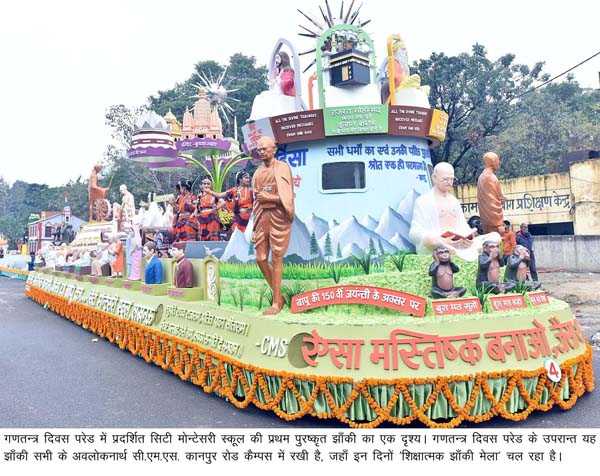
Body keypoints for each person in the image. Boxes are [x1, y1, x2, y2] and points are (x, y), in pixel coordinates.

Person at [409, 162, 500, 261]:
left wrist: (468, 237)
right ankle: (451, 252)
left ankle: (458, 252)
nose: (449, 182)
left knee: (495, 236)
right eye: (445, 179)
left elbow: (463, 226)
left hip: (459, 243)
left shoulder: (454, 201)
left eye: (451, 179)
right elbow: (414, 233)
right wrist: (440, 239)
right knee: (431, 240)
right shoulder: (424, 201)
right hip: (439, 243)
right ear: (434, 178)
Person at [252, 136, 295, 315]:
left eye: (265, 148)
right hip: (262, 217)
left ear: (274, 149)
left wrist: (269, 198)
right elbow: (256, 200)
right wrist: (254, 226)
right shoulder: (257, 173)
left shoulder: (283, 168)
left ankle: (277, 303)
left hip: (278, 216)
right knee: (261, 258)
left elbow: (287, 198)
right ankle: (279, 296)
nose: (262, 151)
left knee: (277, 257)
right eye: (259, 149)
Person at [249, 51, 298, 120]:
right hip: (277, 93)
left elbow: (288, 83)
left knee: (267, 98)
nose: (276, 61)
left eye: (278, 58)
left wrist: (279, 81)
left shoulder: (287, 70)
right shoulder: (278, 72)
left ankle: (265, 117)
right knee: (260, 97)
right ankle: (257, 118)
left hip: (285, 95)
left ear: (283, 59)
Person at [477, 152, 505, 234]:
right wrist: (499, 223)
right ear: (492, 161)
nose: (498, 162)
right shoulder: (490, 177)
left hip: (485, 220)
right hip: (494, 221)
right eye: (497, 160)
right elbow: (493, 202)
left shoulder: (482, 176)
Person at [194, 176, 222, 241]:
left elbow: (223, 202)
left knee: (212, 238)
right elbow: (197, 209)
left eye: (208, 184)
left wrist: (215, 209)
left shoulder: (214, 194)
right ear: (202, 185)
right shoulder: (199, 196)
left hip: (212, 219)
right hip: (202, 219)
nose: (206, 185)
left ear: (211, 185)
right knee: (203, 238)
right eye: (204, 184)